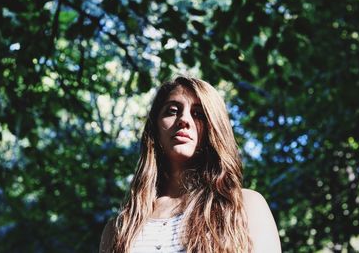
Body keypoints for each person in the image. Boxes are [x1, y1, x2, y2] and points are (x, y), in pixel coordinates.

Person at [99, 76, 281, 253]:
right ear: (155, 128)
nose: (184, 120)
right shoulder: (119, 228)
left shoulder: (245, 206)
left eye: (198, 114)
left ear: (214, 127)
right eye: (172, 110)